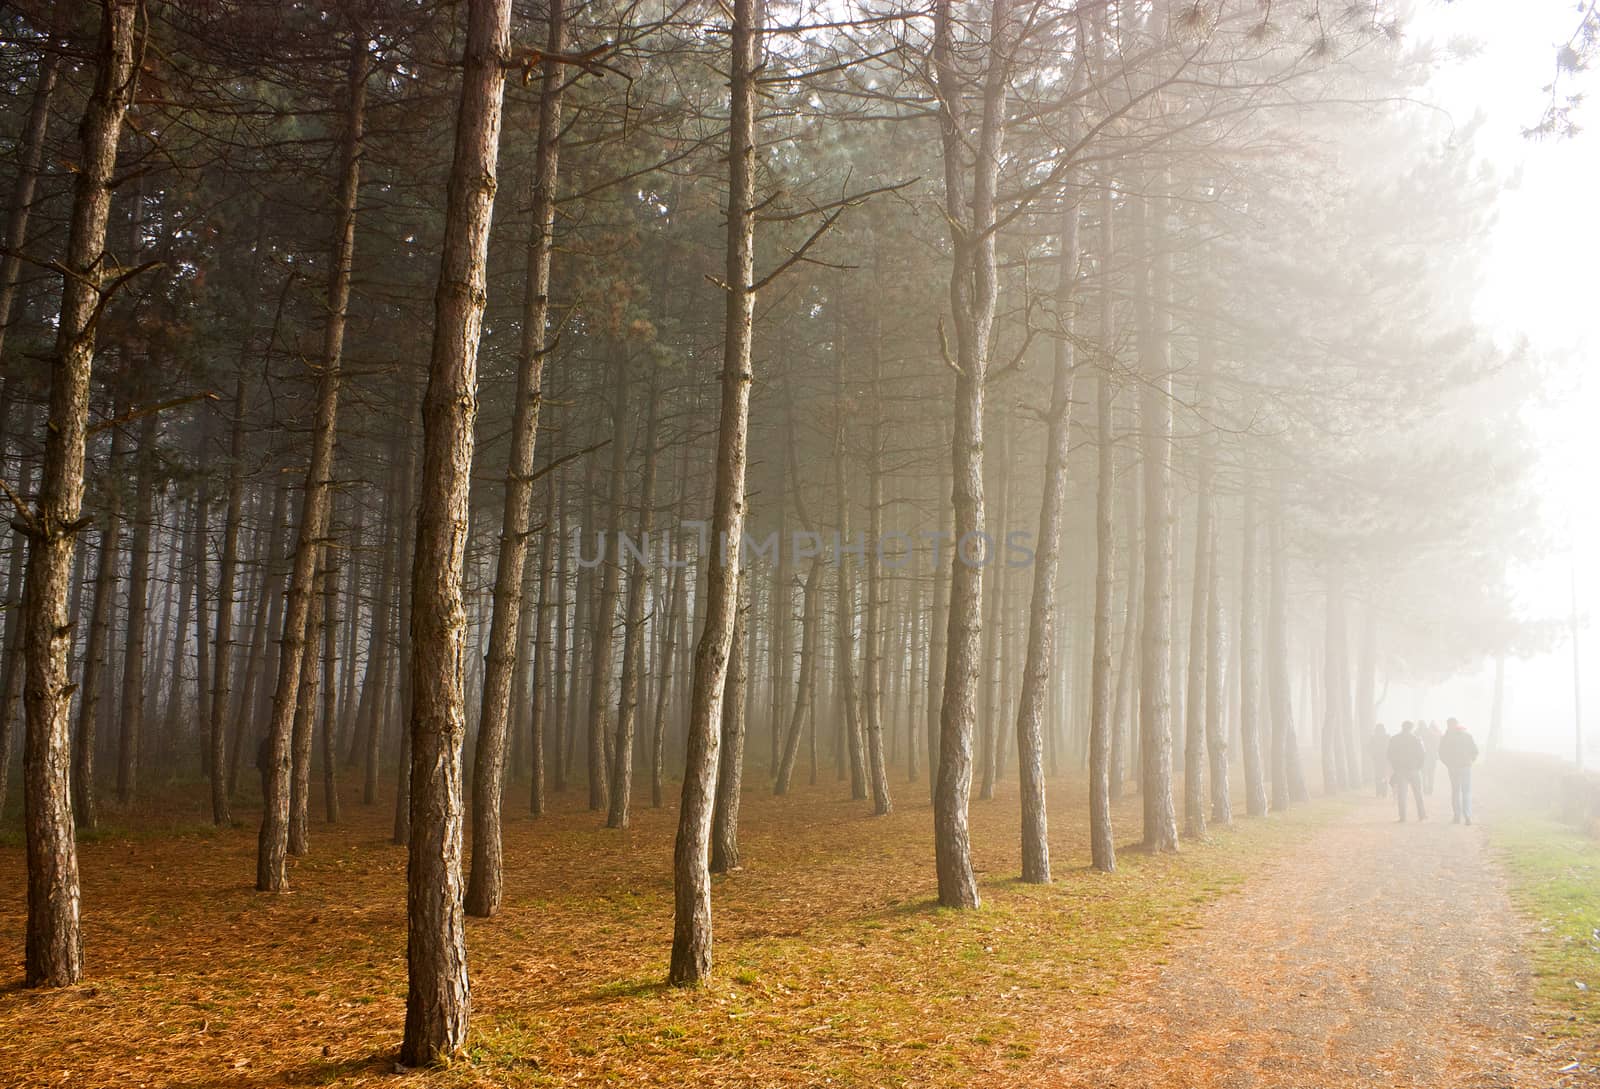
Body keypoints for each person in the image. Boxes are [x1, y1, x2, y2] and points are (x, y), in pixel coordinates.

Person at [1437, 717, 1480, 825]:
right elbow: (1475, 751)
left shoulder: (1446, 738)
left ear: (1448, 725)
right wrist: (1470, 761)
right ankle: (1468, 816)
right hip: (1466, 767)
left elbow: (1441, 753)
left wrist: (1448, 764)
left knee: (1455, 791)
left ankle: (1457, 816)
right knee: (1466, 792)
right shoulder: (1467, 736)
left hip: (1453, 768)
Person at [1388, 721, 1426, 822]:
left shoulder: (1394, 739)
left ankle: (1402, 817)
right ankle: (1422, 815)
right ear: (1412, 728)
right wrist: (1418, 767)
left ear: (1402, 727)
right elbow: (1422, 755)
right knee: (1418, 793)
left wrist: (1395, 767)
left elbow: (1389, 754)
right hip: (1414, 769)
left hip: (1400, 770)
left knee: (1402, 795)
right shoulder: (1416, 739)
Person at [1420, 720, 1442, 795]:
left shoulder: (1425, 733)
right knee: (1431, 774)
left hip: (1424, 756)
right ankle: (1430, 789)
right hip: (1432, 757)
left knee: (1424, 774)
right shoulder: (1438, 734)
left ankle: (1425, 789)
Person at [1370, 723, 1391, 798]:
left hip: (1377, 759)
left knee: (1378, 776)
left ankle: (1378, 792)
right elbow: (1390, 747)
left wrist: (1373, 755)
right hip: (1385, 759)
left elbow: (1370, 748)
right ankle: (1384, 792)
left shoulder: (1373, 737)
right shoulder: (1387, 737)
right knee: (1384, 776)